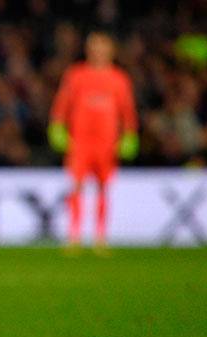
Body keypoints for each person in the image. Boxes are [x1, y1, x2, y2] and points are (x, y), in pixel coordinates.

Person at [48, 31, 139, 248]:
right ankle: (74, 235)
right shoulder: (76, 75)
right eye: (94, 46)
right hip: (80, 141)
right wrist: (57, 127)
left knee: (103, 187)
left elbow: (127, 111)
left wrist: (129, 134)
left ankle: (100, 236)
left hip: (106, 142)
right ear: (88, 50)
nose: (98, 51)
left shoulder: (119, 79)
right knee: (77, 186)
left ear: (111, 50)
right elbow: (62, 104)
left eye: (102, 46)